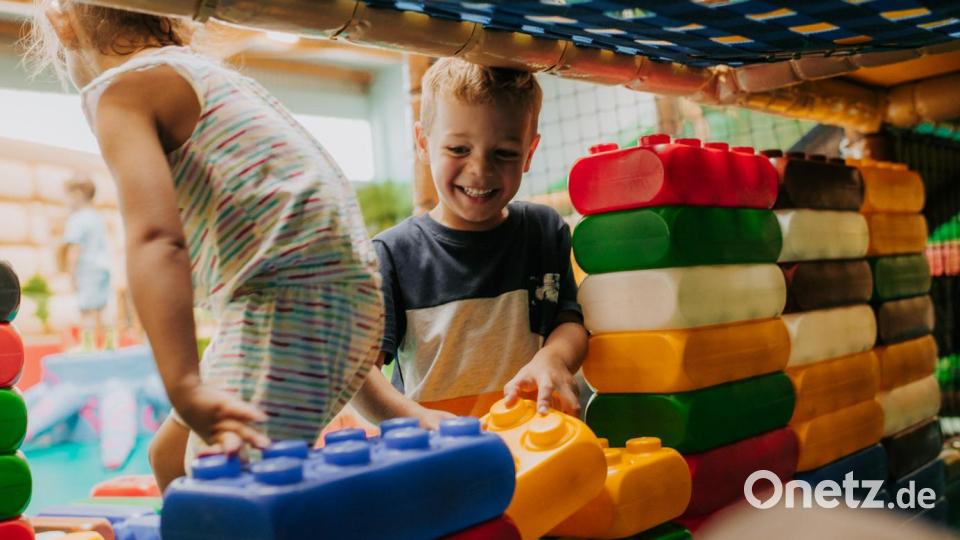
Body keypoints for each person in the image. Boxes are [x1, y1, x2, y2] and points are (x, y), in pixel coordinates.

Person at [28, 1, 383, 490]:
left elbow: (155, 239)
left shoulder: (121, 93)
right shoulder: (208, 76)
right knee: (169, 455)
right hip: (328, 293)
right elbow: (323, 261)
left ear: (62, 24)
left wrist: (183, 384)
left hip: (282, 298)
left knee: (226, 485)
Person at [353, 58, 587, 428]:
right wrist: (420, 421)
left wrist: (554, 358)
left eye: (504, 152)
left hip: (535, 448)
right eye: (459, 149)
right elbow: (358, 373)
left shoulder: (544, 230)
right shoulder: (393, 254)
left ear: (529, 152)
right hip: (441, 458)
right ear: (422, 143)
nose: (480, 169)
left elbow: (570, 321)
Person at [61, 176, 112, 341]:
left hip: (87, 270)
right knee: (101, 311)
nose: (66, 201)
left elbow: (74, 249)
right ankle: (108, 346)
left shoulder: (77, 219)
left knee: (86, 311)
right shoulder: (97, 217)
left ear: (77, 194)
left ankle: (88, 349)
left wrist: (71, 273)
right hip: (103, 267)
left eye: (67, 196)